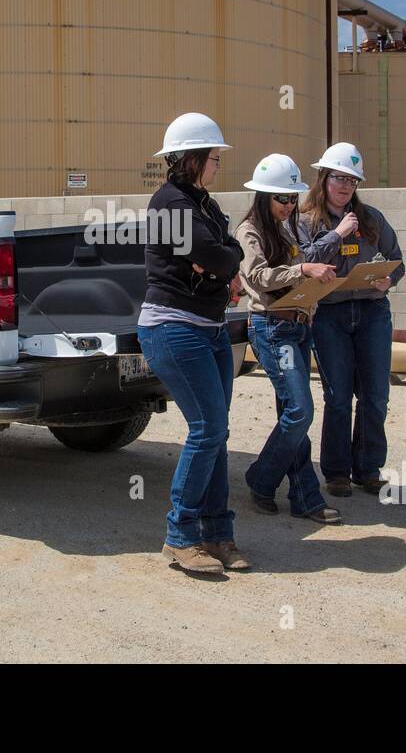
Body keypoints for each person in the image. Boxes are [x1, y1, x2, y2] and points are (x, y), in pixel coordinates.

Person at [137, 112, 246, 576]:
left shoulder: (204, 204)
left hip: (210, 327)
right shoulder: (168, 204)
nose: (218, 165)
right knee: (207, 429)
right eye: (214, 158)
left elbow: (232, 251)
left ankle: (218, 532)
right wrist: (219, 261)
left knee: (216, 432)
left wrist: (222, 260)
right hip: (174, 327)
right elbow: (214, 254)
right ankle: (180, 537)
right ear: (193, 159)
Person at [235, 154, 342, 524]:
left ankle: (301, 496)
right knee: (300, 411)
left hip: (298, 325)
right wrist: (303, 269)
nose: (289, 205)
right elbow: (259, 277)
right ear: (263, 197)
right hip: (271, 326)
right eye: (281, 198)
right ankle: (262, 477)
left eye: (293, 198)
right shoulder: (249, 232)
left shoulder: (291, 228)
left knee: (290, 412)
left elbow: (298, 270)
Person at [296, 142, 405, 497]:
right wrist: (338, 233)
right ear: (323, 179)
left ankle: (368, 468)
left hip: (372, 312)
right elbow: (302, 259)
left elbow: (397, 258)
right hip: (330, 314)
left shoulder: (371, 218)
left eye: (352, 181)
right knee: (339, 396)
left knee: (375, 396)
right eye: (339, 178)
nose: (345, 187)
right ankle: (338, 471)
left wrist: (390, 278)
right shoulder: (307, 220)